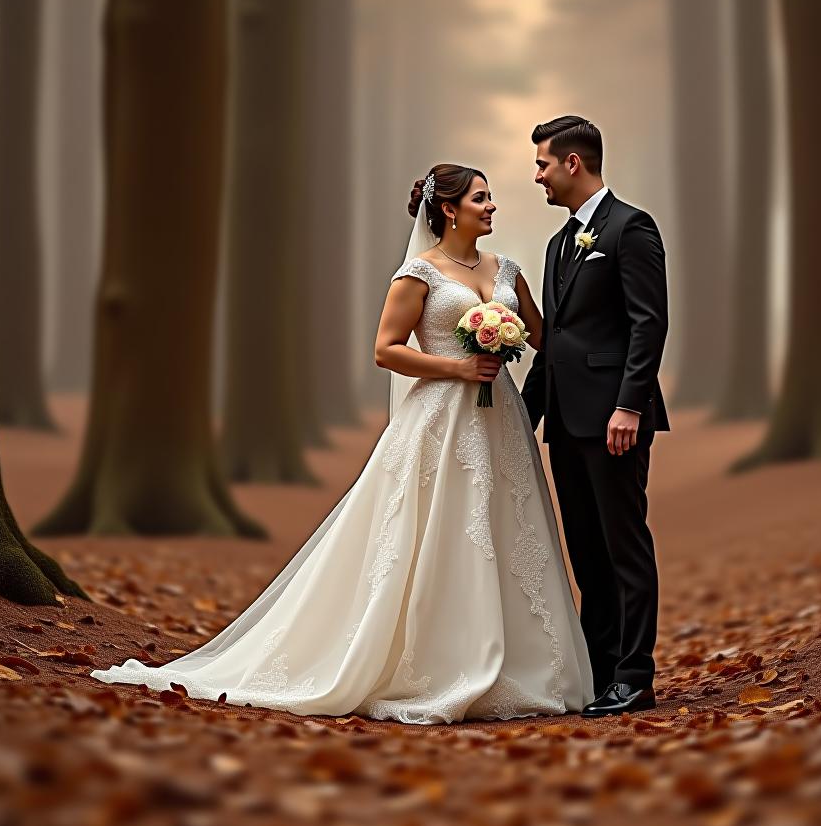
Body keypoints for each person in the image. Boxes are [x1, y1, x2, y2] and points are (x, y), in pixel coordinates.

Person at [90, 164, 593, 724]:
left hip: (500, 418)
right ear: (449, 210)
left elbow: (542, 334)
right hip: (441, 418)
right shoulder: (418, 274)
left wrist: (510, 345)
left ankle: (517, 665)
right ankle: (434, 662)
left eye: (491, 199)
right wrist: (456, 367)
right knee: (435, 529)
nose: (492, 206)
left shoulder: (508, 269)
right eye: (481, 199)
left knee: (507, 526)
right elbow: (386, 349)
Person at [522, 115, 669, 718]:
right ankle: (601, 671)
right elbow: (555, 338)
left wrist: (628, 404)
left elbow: (648, 323)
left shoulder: (631, 228)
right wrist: (523, 413)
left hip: (615, 421)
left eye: (542, 164)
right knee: (586, 550)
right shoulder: (560, 243)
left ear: (573, 163)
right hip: (566, 422)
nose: (538, 177)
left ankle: (635, 676)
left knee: (623, 547)